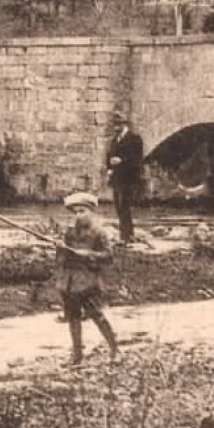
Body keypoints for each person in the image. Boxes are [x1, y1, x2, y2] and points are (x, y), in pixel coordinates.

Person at [58, 191, 120, 365]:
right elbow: (62, 259)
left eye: (82, 211)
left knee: (96, 315)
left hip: (89, 280)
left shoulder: (99, 232)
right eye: (76, 212)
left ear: (92, 211)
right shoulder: (69, 232)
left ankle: (115, 349)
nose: (79, 215)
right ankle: (77, 355)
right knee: (73, 317)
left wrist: (88, 254)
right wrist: (61, 248)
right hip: (69, 280)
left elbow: (109, 257)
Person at [105, 111, 145, 244]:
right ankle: (125, 234)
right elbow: (109, 156)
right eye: (114, 124)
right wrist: (109, 170)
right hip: (117, 178)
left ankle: (127, 235)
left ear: (124, 124)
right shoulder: (114, 140)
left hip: (129, 178)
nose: (115, 127)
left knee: (125, 205)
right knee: (118, 205)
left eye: (118, 124)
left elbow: (137, 159)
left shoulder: (134, 139)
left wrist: (122, 160)